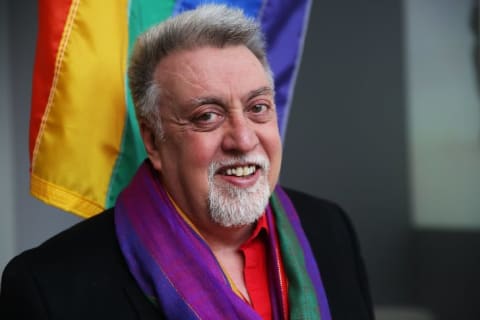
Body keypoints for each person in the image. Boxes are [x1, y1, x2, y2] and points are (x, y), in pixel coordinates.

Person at [0, 5, 374, 320]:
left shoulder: (330, 229)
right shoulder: (48, 286)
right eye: (207, 116)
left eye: (258, 108)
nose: (243, 139)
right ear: (153, 141)